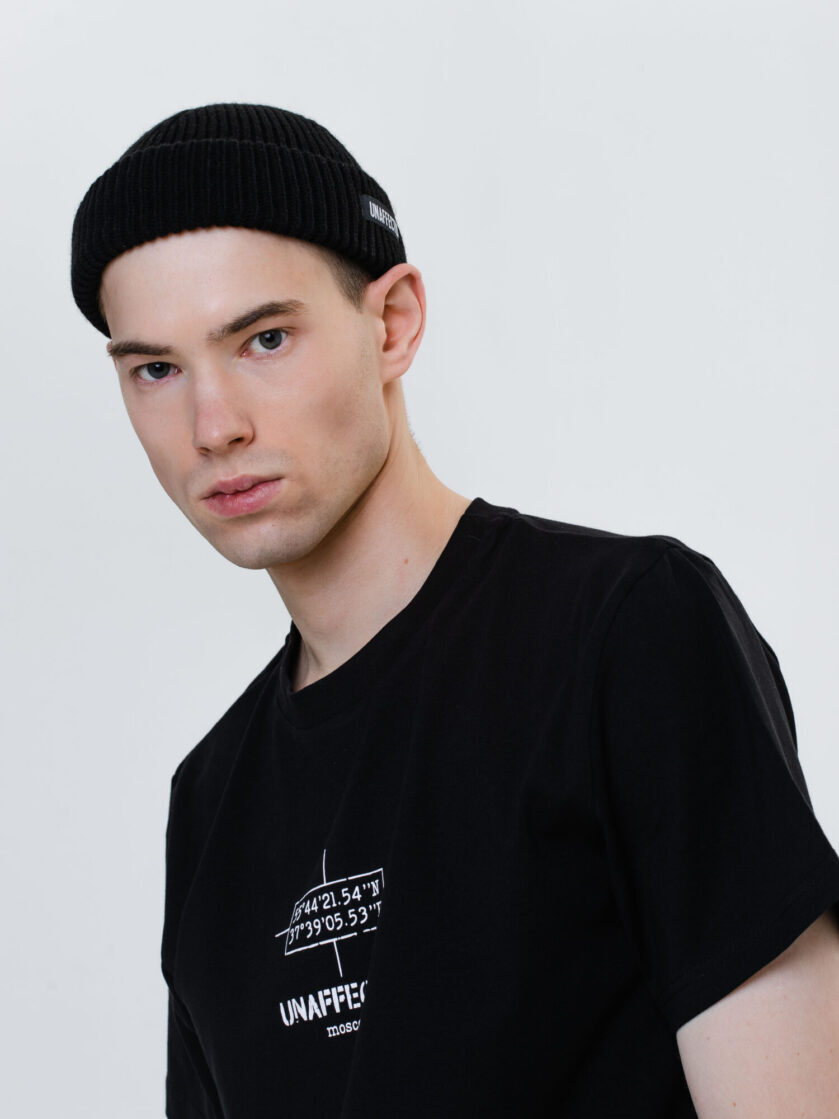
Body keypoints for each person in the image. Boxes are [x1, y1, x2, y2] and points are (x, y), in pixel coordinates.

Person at [70, 102, 839, 1118]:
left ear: (391, 323)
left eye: (264, 339)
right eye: (157, 370)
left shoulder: (625, 634)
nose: (212, 425)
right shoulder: (212, 801)